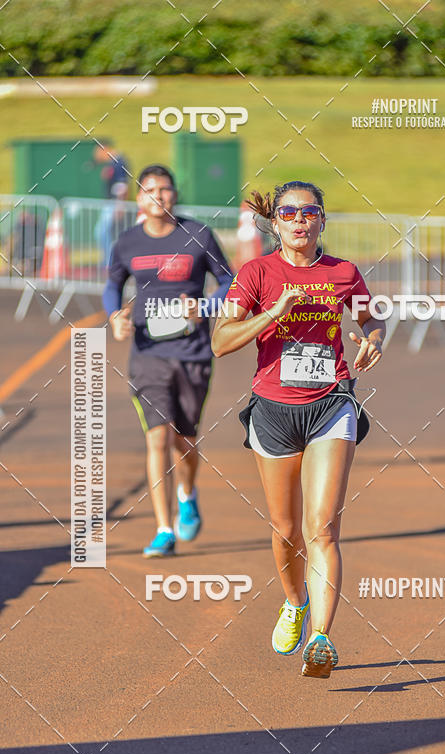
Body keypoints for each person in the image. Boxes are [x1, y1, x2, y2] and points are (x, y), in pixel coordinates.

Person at [211, 180, 384, 678]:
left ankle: (321, 639)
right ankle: (295, 601)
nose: (299, 220)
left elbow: (372, 321)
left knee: (322, 528)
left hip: (331, 403)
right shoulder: (257, 272)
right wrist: (272, 312)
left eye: (309, 211)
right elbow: (222, 341)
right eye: (289, 212)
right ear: (276, 222)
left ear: (322, 219)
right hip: (273, 409)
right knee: (286, 531)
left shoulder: (343, 273)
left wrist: (373, 339)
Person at [103, 164, 232, 557]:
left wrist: (205, 306)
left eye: (166, 188)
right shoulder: (127, 242)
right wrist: (115, 316)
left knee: (185, 440)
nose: (159, 195)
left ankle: (187, 493)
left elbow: (229, 279)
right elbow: (112, 284)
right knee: (157, 437)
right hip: (148, 354)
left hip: (192, 352)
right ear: (139, 198)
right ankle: (163, 529)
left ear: (176, 194)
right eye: (150, 189)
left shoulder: (198, 235)